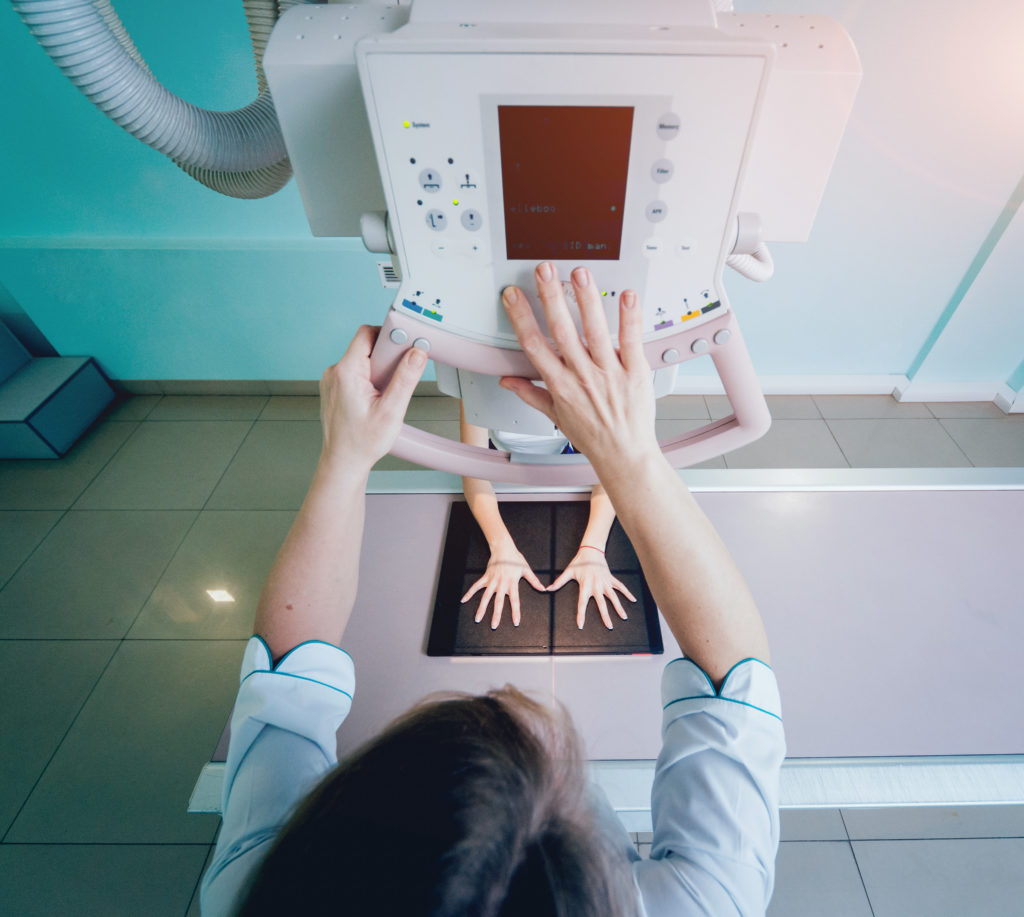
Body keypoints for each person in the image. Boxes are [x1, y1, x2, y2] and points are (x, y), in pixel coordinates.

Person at [199, 263, 785, 916]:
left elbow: (286, 671)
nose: (512, 705)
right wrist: (635, 458)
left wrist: (343, 461)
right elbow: (734, 676)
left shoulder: (256, 888)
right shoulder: (708, 903)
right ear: (601, 879)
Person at [459, 404, 636, 631]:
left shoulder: (592, 377)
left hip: (562, 462)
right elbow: (473, 473)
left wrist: (593, 550)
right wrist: (501, 547)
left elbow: (612, 470)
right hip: (500, 466)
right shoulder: (478, 377)